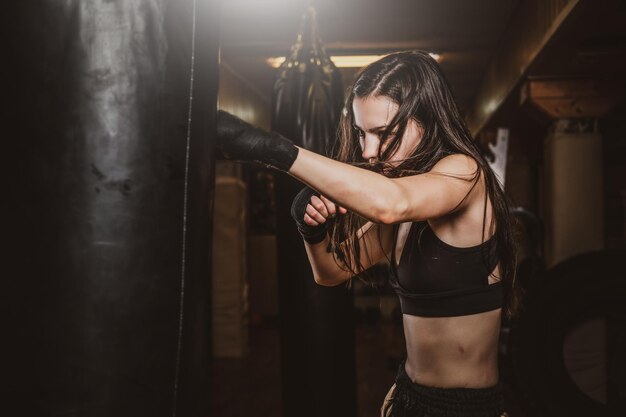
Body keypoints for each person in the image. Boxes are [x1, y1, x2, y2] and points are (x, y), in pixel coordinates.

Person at [216, 50, 519, 417]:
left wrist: (273, 150)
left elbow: (391, 203)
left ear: (426, 119)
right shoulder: (402, 208)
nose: (369, 151)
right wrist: (311, 230)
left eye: (383, 133)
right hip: (407, 399)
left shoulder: (464, 173)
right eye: (361, 133)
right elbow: (330, 272)